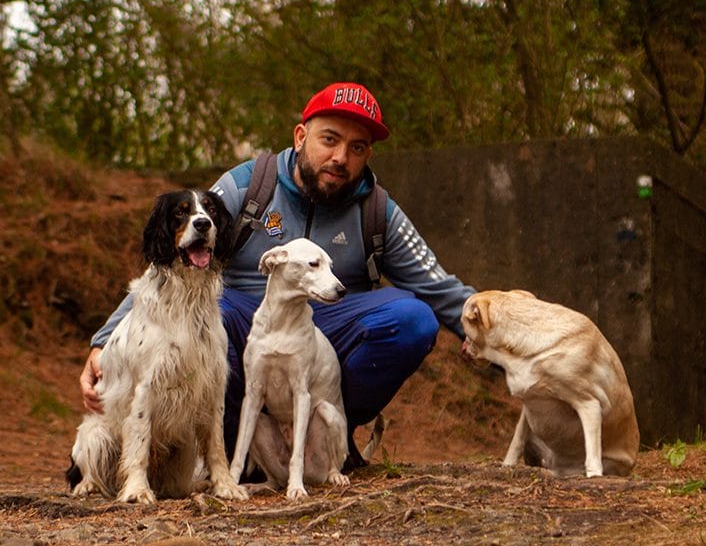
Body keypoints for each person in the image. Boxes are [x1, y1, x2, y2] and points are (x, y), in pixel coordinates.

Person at [78, 82, 475, 470]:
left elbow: (437, 285)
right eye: (330, 140)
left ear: (369, 154)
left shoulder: (378, 210)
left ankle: (330, 439)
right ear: (301, 136)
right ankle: (240, 446)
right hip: (247, 322)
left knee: (413, 319)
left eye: (357, 148)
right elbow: (166, 263)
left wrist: (495, 332)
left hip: (329, 325)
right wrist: (102, 342)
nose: (340, 157)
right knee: (214, 315)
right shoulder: (247, 185)